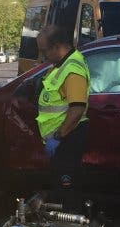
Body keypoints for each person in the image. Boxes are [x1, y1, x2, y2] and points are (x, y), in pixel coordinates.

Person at [36, 23, 90, 211]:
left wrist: (57, 137)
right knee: (61, 191)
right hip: (62, 139)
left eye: (45, 51)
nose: (43, 57)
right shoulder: (61, 65)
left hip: (67, 139)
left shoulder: (72, 69)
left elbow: (76, 110)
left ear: (57, 46)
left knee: (68, 195)